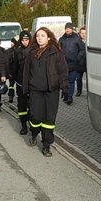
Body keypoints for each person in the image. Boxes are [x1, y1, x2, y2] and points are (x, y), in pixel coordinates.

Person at [22, 27, 68, 157]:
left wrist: (64, 88)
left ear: (49, 37)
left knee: (49, 119)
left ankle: (46, 145)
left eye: (43, 35)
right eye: (37, 36)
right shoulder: (30, 53)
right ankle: (34, 132)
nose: (39, 38)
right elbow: (26, 73)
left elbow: (63, 71)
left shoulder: (56, 52)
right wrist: (24, 89)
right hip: (35, 90)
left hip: (51, 90)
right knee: (36, 117)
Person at [58, 22, 84, 104]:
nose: (67, 30)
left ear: (72, 29)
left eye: (69, 28)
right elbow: (58, 50)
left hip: (74, 64)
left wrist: (77, 58)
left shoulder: (77, 38)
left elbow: (82, 50)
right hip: (64, 64)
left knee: (71, 80)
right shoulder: (61, 39)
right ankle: (65, 94)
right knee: (64, 81)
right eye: (66, 28)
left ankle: (69, 97)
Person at [13, 30, 32, 135]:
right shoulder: (17, 51)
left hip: (32, 83)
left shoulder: (33, 50)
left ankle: (30, 120)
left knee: (33, 106)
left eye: (27, 40)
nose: (25, 42)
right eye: (23, 40)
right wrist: (13, 80)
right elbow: (15, 67)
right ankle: (23, 125)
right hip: (20, 83)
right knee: (22, 105)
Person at [4, 35, 18, 103]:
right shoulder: (8, 51)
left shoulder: (18, 51)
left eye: (12, 42)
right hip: (11, 71)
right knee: (11, 84)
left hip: (16, 71)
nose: (11, 43)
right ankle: (11, 96)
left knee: (15, 85)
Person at [76, 26, 87, 96]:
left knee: (88, 79)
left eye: (85, 33)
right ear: (79, 33)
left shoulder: (89, 41)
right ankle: (79, 91)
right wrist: (77, 58)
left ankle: (89, 91)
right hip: (79, 63)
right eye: (82, 33)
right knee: (79, 78)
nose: (84, 34)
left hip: (87, 63)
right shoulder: (77, 41)